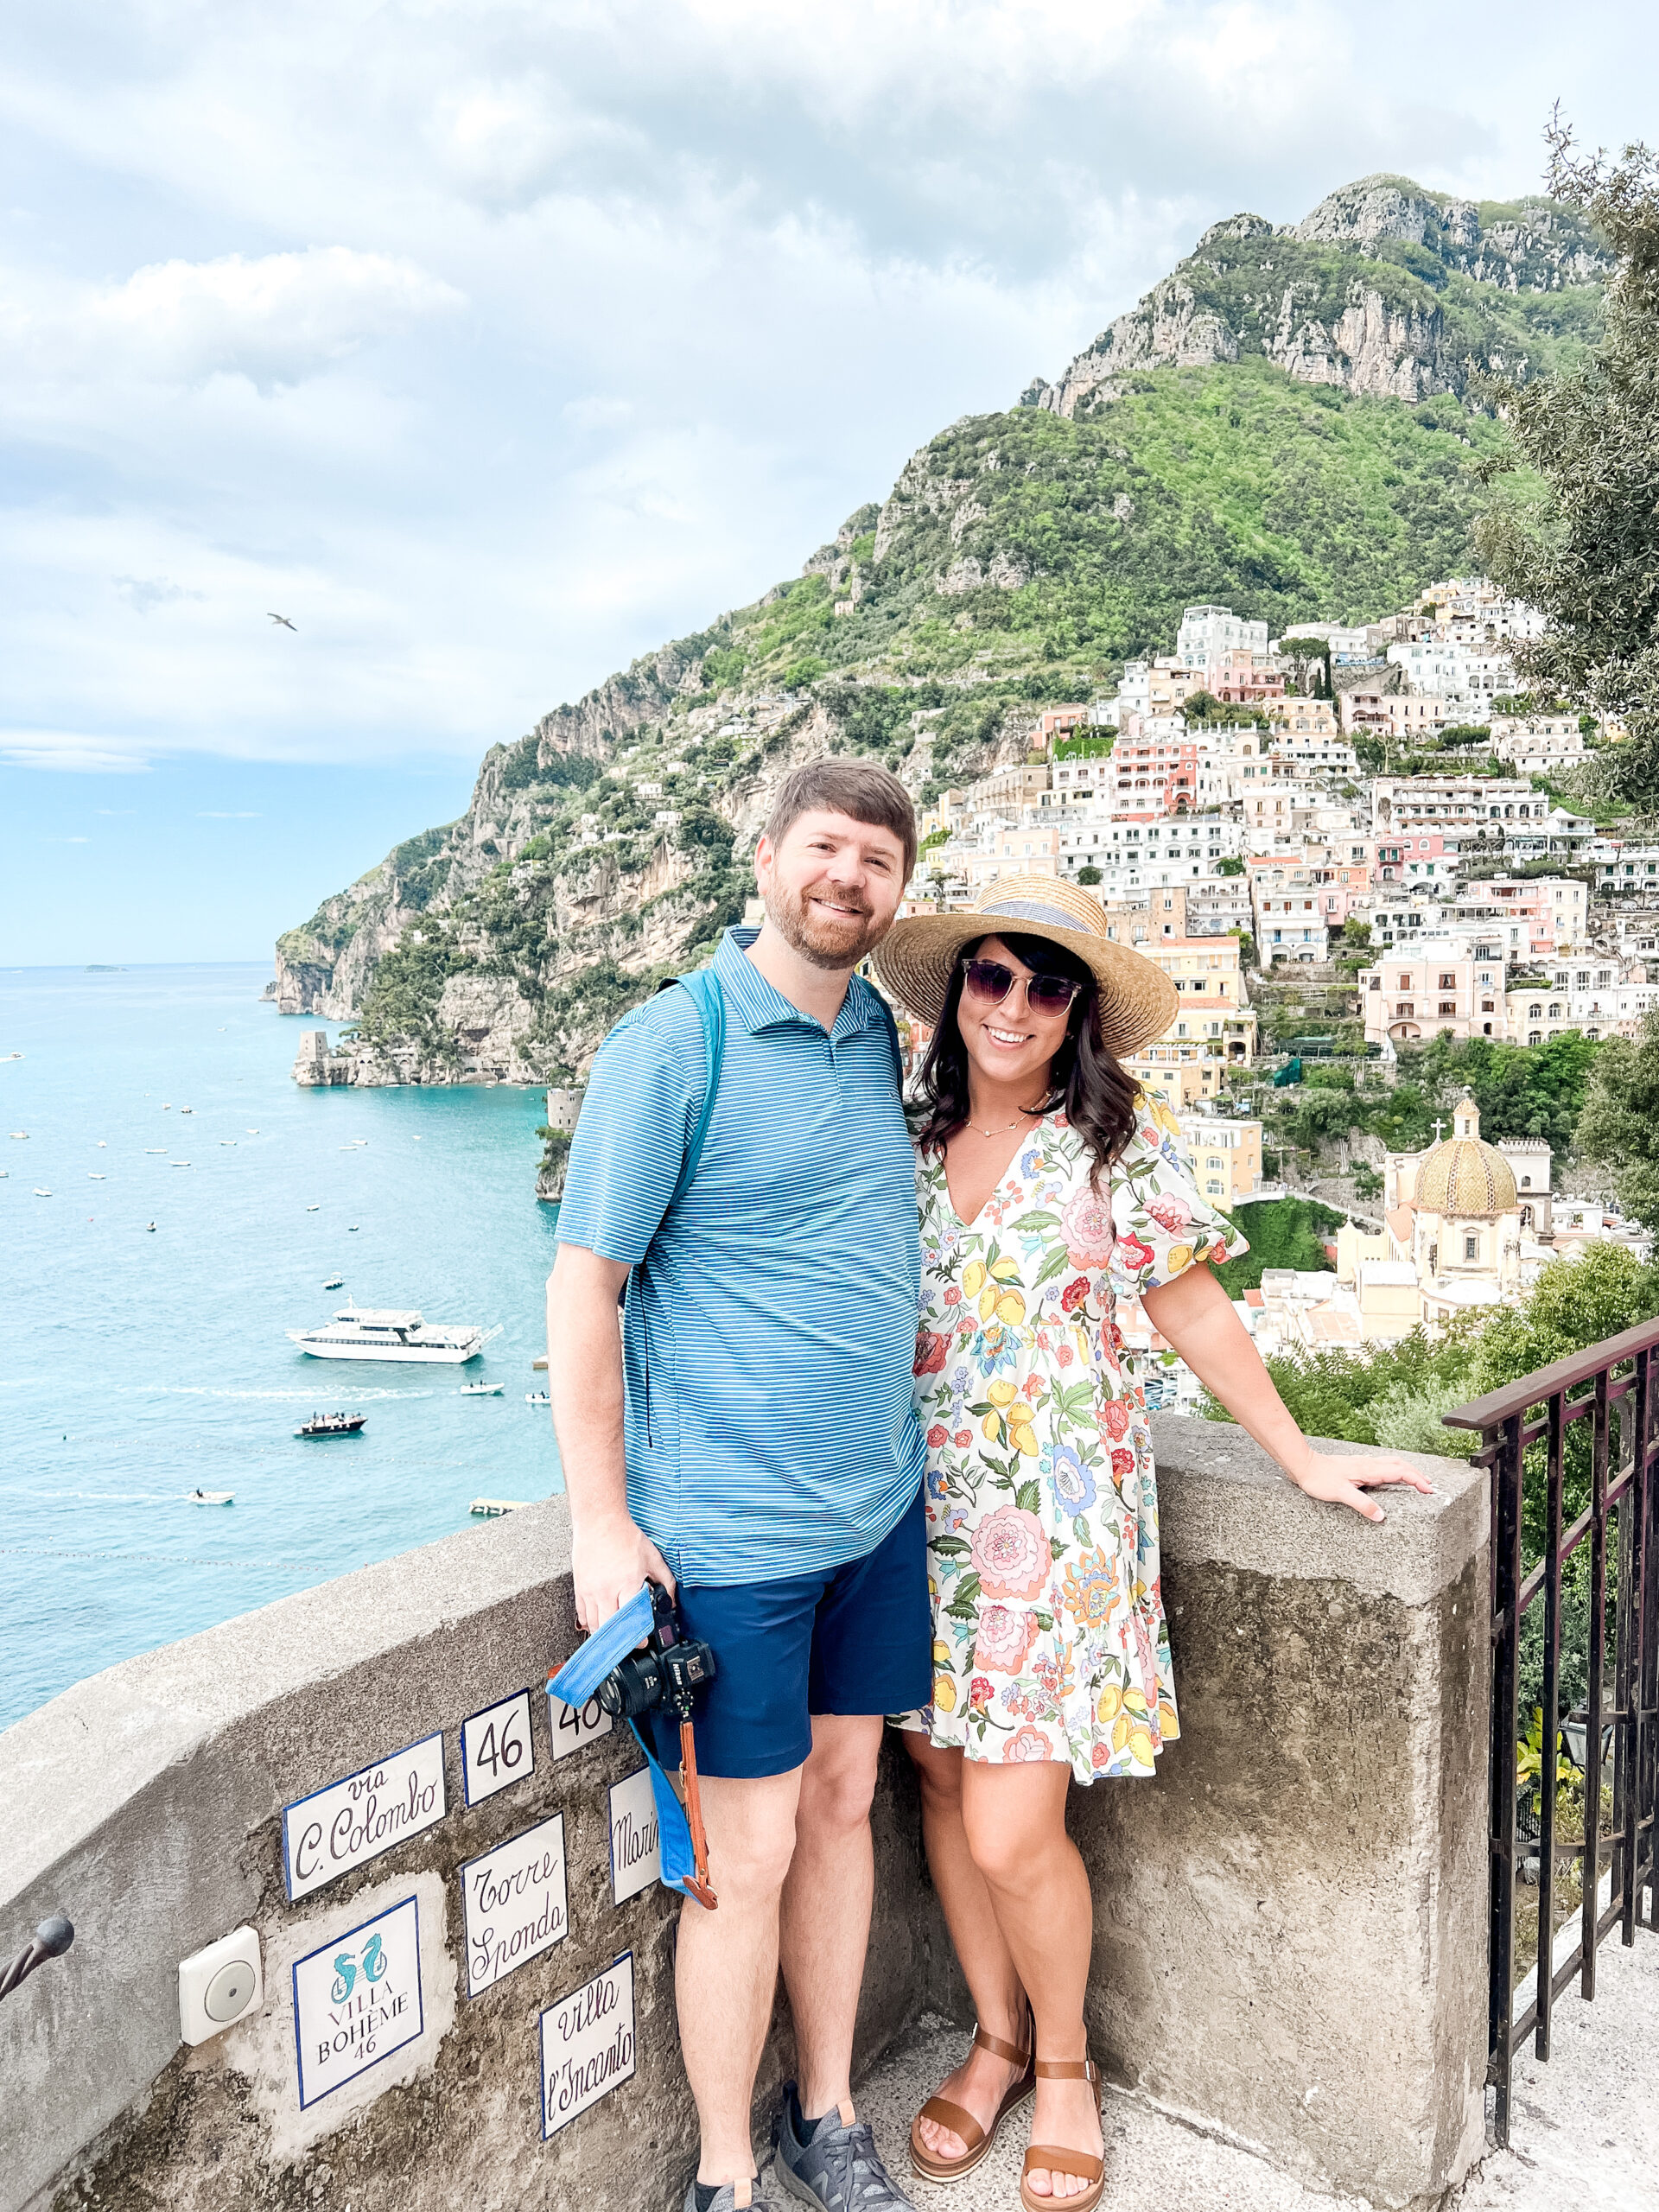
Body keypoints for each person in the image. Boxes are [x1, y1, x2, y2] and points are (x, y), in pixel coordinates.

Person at [869, 875, 1433, 2212]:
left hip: (1058, 1522)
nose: (1012, 1005)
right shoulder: (901, 1135)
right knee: (944, 1785)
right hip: (913, 1513)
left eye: (1044, 985)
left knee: (1014, 1824)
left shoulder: (1111, 1140)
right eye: (992, 976)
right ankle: (994, 2041)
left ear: (1079, 1015)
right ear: (957, 990)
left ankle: (1063, 2064)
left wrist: (1299, 1454)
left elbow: (1194, 1311)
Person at [549, 758, 929, 2212]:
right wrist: (600, 1522)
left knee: (843, 1808)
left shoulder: (878, 1037)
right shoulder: (675, 1041)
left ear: (897, 894)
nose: (849, 880)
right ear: (767, 858)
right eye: (826, 850)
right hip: (728, 1535)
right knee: (743, 1855)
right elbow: (586, 1289)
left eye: (878, 863)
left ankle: (826, 2114)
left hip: (875, 1510)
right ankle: (725, 2171)